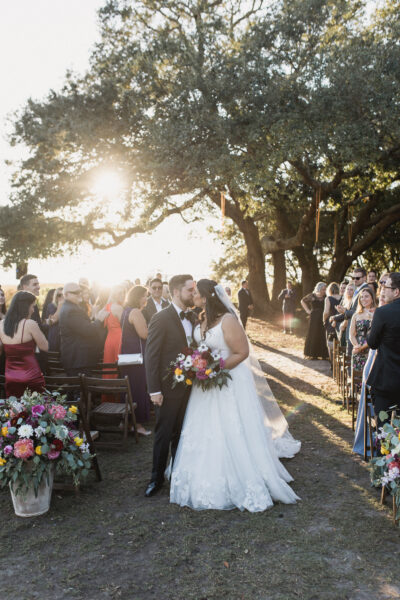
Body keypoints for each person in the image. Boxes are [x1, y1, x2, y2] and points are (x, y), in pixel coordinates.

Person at [170, 279, 300, 512]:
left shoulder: (228, 320)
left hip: (227, 382)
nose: (194, 297)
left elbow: (242, 352)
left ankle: (244, 476)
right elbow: (201, 350)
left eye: (197, 293)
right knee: (206, 429)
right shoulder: (201, 318)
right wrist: (197, 367)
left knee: (231, 427)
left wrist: (214, 368)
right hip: (204, 386)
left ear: (208, 297)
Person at [144, 274, 195, 497]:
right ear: (175, 292)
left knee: (182, 432)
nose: (193, 294)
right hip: (167, 388)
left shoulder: (193, 316)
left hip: (191, 386)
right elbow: (151, 356)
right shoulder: (161, 318)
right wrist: (154, 390)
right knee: (164, 432)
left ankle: (177, 472)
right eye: (189, 290)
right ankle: (156, 479)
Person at [353, 292, 388, 457]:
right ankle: (372, 440)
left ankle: (382, 444)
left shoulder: (380, 312)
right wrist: (357, 347)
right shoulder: (360, 314)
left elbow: (373, 340)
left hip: (379, 359)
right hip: (371, 358)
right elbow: (353, 334)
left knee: (383, 409)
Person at [367, 272, 400, 430]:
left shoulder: (382, 312)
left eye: (385, 287)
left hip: (385, 380)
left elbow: (372, 343)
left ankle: (385, 454)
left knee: (384, 427)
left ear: (396, 292)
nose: (382, 290)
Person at [0, 291, 48, 398]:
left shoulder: (1, 324)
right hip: (31, 375)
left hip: (11, 376)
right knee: (37, 409)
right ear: (25, 307)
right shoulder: (30, 324)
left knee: (15, 408)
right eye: (32, 306)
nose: (33, 310)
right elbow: (44, 346)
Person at [120, 286, 151, 436]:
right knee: (138, 389)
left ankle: (127, 422)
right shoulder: (136, 312)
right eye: (145, 296)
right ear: (138, 297)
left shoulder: (125, 311)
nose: (146, 299)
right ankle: (137, 425)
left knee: (130, 389)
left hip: (127, 355)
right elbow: (144, 334)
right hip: (137, 357)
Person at [59, 282, 107, 376]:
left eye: (80, 291)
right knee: (80, 389)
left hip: (78, 359)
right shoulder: (71, 310)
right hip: (78, 360)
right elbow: (88, 330)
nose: (79, 294)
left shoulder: (71, 307)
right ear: (66, 294)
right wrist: (99, 320)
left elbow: (82, 327)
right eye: (75, 292)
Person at [19, 274, 48, 373]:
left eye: (38, 284)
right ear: (25, 287)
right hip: (31, 357)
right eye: (35, 284)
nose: (38, 287)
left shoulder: (31, 304)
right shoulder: (24, 306)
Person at [349, 288, 375, 374]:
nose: (363, 299)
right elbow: (351, 335)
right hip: (358, 351)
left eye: (366, 296)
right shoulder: (356, 315)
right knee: (357, 378)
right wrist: (356, 345)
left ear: (372, 298)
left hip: (372, 349)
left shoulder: (377, 313)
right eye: (361, 297)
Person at [301, 282, 329, 360]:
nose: (324, 290)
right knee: (313, 333)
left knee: (322, 334)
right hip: (314, 317)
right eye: (323, 289)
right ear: (319, 288)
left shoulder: (326, 296)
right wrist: (307, 311)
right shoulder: (312, 295)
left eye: (325, 289)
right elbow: (302, 301)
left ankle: (324, 354)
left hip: (323, 316)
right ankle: (312, 354)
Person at [323, 282, 341, 362]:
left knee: (330, 343)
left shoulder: (328, 298)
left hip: (331, 322)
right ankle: (339, 362)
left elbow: (326, 312)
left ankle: (332, 363)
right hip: (340, 321)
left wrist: (324, 320)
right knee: (339, 343)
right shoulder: (343, 297)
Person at [46, 288, 64, 352]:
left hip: (65, 336)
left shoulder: (68, 306)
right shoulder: (51, 306)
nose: (61, 297)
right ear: (55, 296)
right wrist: (60, 306)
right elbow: (53, 320)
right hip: (55, 335)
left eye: (63, 295)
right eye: (59, 295)